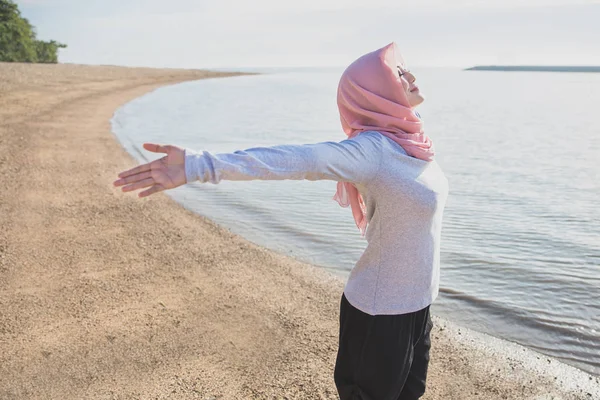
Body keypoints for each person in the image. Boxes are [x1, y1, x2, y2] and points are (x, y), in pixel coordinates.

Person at [113, 42, 449, 400]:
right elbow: (299, 159)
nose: (410, 76)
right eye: (397, 74)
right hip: (381, 312)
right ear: (375, 92)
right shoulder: (372, 151)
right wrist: (201, 164)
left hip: (418, 305)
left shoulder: (414, 144)